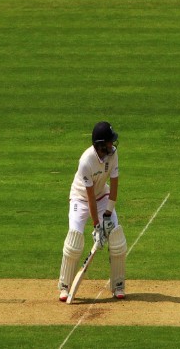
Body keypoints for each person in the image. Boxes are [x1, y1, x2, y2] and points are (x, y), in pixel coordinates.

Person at [58, 121, 127, 302]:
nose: (113, 145)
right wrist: (97, 226)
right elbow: (89, 198)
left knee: (117, 237)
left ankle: (118, 285)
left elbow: (113, 187)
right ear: (100, 145)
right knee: (74, 239)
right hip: (80, 198)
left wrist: (108, 216)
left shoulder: (113, 156)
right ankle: (65, 286)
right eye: (109, 142)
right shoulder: (86, 161)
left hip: (103, 196)